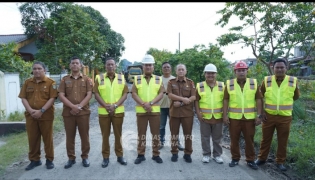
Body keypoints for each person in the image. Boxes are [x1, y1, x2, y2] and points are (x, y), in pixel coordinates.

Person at [255, 58, 300, 171]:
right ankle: (261, 158)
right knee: (265, 139)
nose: (279, 69)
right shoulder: (267, 80)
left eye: (282, 67)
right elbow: (260, 96)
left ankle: (280, 162)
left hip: (285, 117)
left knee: (283, 140)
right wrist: (261, 113)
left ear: (286, 68)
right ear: (273, 68)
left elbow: (296, 96)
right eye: (277, 67)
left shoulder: (292, 80)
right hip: (268, 116)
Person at [222, 60, 262, 170]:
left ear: (247, 71)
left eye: (243, 70)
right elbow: (225, 100)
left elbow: (258, 99)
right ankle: (235, 158)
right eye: (239, 70)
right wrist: (225, 115)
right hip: (234, 118)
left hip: (249, 118)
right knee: (234, 139)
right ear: (235, 72)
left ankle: (250, 160)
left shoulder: (254, 83)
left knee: (249, 139)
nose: (241, 72)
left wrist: (259, 115)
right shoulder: (229, 84)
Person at [18, 61, 57, 171]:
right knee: (33, 138)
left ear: (44, 70)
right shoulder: (27, 82)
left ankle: (49, 160)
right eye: (35, 68)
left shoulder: (51, 83)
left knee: (47, 138)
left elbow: (52, 98)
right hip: (31, 116)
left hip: (46, 115)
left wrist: (42, 110)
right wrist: (30, 110)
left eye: (39, 68)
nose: (37, 70)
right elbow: (23, 97)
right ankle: (35, 160)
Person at [58, 56, 93, 169]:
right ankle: (71, 158)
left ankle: (85, 157)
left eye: (77, 63)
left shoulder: (87, 79)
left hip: (83, 113)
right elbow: (61, 95)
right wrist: (73, 106)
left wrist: (80, 106)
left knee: (84, 136)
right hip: (69, 113)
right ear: (70, 65)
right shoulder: (65, 79)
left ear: (81, 65)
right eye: (72, 63)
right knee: (70, 136)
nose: (74, 65)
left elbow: (89, 94)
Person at [93, 57, 129, 168]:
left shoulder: (121, 78)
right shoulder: (99, 78)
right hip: (104, 112)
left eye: (112, 64)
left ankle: (120, 156)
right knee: (105, 136)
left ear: (115, 66)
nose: (110, 66)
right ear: (105, 66)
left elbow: (125, 94)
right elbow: (96, 93)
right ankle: (105, 157)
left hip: (118, 111)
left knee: (118, 135)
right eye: (108, 64)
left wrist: (116, 105)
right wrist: (105, 105)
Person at [131, 54, 164, 164]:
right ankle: (141, 155)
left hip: (154, 112)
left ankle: (156, 154)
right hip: (141, 112)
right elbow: (134, 93)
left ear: (153, 67)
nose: (148, 67)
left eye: (150, 65)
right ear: (142, 67)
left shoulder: (159, 79)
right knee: (142, 134)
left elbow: (161, 93)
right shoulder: (137, 79)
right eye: (146, 65)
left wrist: (150, 103)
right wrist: (143, 104)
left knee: (155, 134)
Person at [195, 63, 224, 164]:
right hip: (205, 117)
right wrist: (198, 113)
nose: (210, 75)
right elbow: (196, 101)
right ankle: (206, 155)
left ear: (216, 74)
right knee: (205, 137)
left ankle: (217, 155)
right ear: (205, 74)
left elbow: (225, 101)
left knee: (217, 137)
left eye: (212, 73)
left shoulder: (222, 85)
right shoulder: (200, 85)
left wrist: (225, 115)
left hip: (218, 117)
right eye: (208, 73)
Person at [167, 64, 196, 163]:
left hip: (187, 114)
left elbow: (193, 97)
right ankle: (174, 153)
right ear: (176, 71)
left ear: (186, 71)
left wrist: (181, 103)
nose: (181, 71)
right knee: (174, 134)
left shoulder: (190, 83)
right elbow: (170, 95)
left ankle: (187, 154)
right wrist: (183, 99)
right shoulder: (171, 82)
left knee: (188, 134)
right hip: (174, 113)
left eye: (182, 69)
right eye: (179, 69)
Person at [158, 61, 184, 151]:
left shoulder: (175, 79)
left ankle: (177, 143)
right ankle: (161, 142)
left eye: (168, 67)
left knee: (174, 126)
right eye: (164, 67)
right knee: (161, 126)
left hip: (173, 107)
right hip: (161, 106)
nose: (166, 69)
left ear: (171, 69)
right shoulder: (158, 79)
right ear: (162, 69)